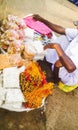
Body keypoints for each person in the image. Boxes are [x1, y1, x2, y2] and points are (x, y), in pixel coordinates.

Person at [33, 14, 78, 86]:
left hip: (70, 75)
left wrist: (57, 47)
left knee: (59, 61)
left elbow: (70, 68)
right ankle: (49, 60)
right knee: (65, 37)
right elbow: (62, 30)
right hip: (69, 61)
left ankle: (55, 77)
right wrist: (42, 20)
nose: (76, 27)